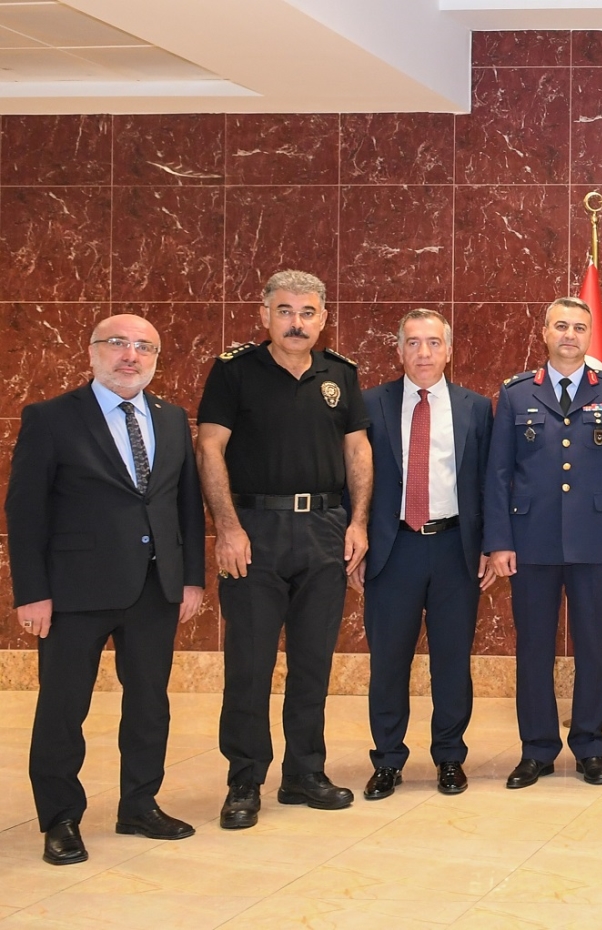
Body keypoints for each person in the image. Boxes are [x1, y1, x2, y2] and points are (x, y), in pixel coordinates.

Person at [9, 315, 204, 866]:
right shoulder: (50, 417)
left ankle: (139, 805)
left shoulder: (171, 418)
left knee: (149, 704)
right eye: (117, 343)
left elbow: (186, 504)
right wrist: (32, 592)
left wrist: (190, 577)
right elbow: (25, 512)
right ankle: (60, 819)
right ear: (92, 352)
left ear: (156, 359)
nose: (130, 355)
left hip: (155, 588)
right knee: (63, 707)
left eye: (144, 347)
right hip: (74, 592)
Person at [197, 270, 371, 830]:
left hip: (324, 530)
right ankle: (245, 779)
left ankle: (304, 773)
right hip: (255, 531)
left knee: (313, 663)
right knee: (249, 663)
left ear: (323, 318)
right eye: (286, 311)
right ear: (264, 315)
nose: (297, 323)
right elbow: (209, 448)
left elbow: (358, 451)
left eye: (308, 312)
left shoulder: (340, 374)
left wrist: (358, 523)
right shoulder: (234, 371)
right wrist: (227, 528)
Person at [484, 297, 602, 789]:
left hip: (596, 543)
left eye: (578, 327)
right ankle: (537, 750)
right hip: (530, 542)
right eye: (561, 326)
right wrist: (499, 541)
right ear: (544, 333)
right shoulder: (516, 394)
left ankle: (590, 747)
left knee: (593, 646)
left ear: (589, 335)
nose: (569, 335)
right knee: (534, 648)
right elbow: (498, 474)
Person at [354, 309, 494, 800]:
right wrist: (356, 541)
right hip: (393, 549)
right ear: (398, 351)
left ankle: (450, 756)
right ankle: (387, 759)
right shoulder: (369, 404)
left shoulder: (476, 408)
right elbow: (352, 477)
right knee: (388, 661)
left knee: (452, 660)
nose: (424, 353)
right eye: (413, 343)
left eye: (434, 342)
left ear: (449, 350)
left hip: (456, 549)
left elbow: (488, 483)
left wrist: (490, 546)